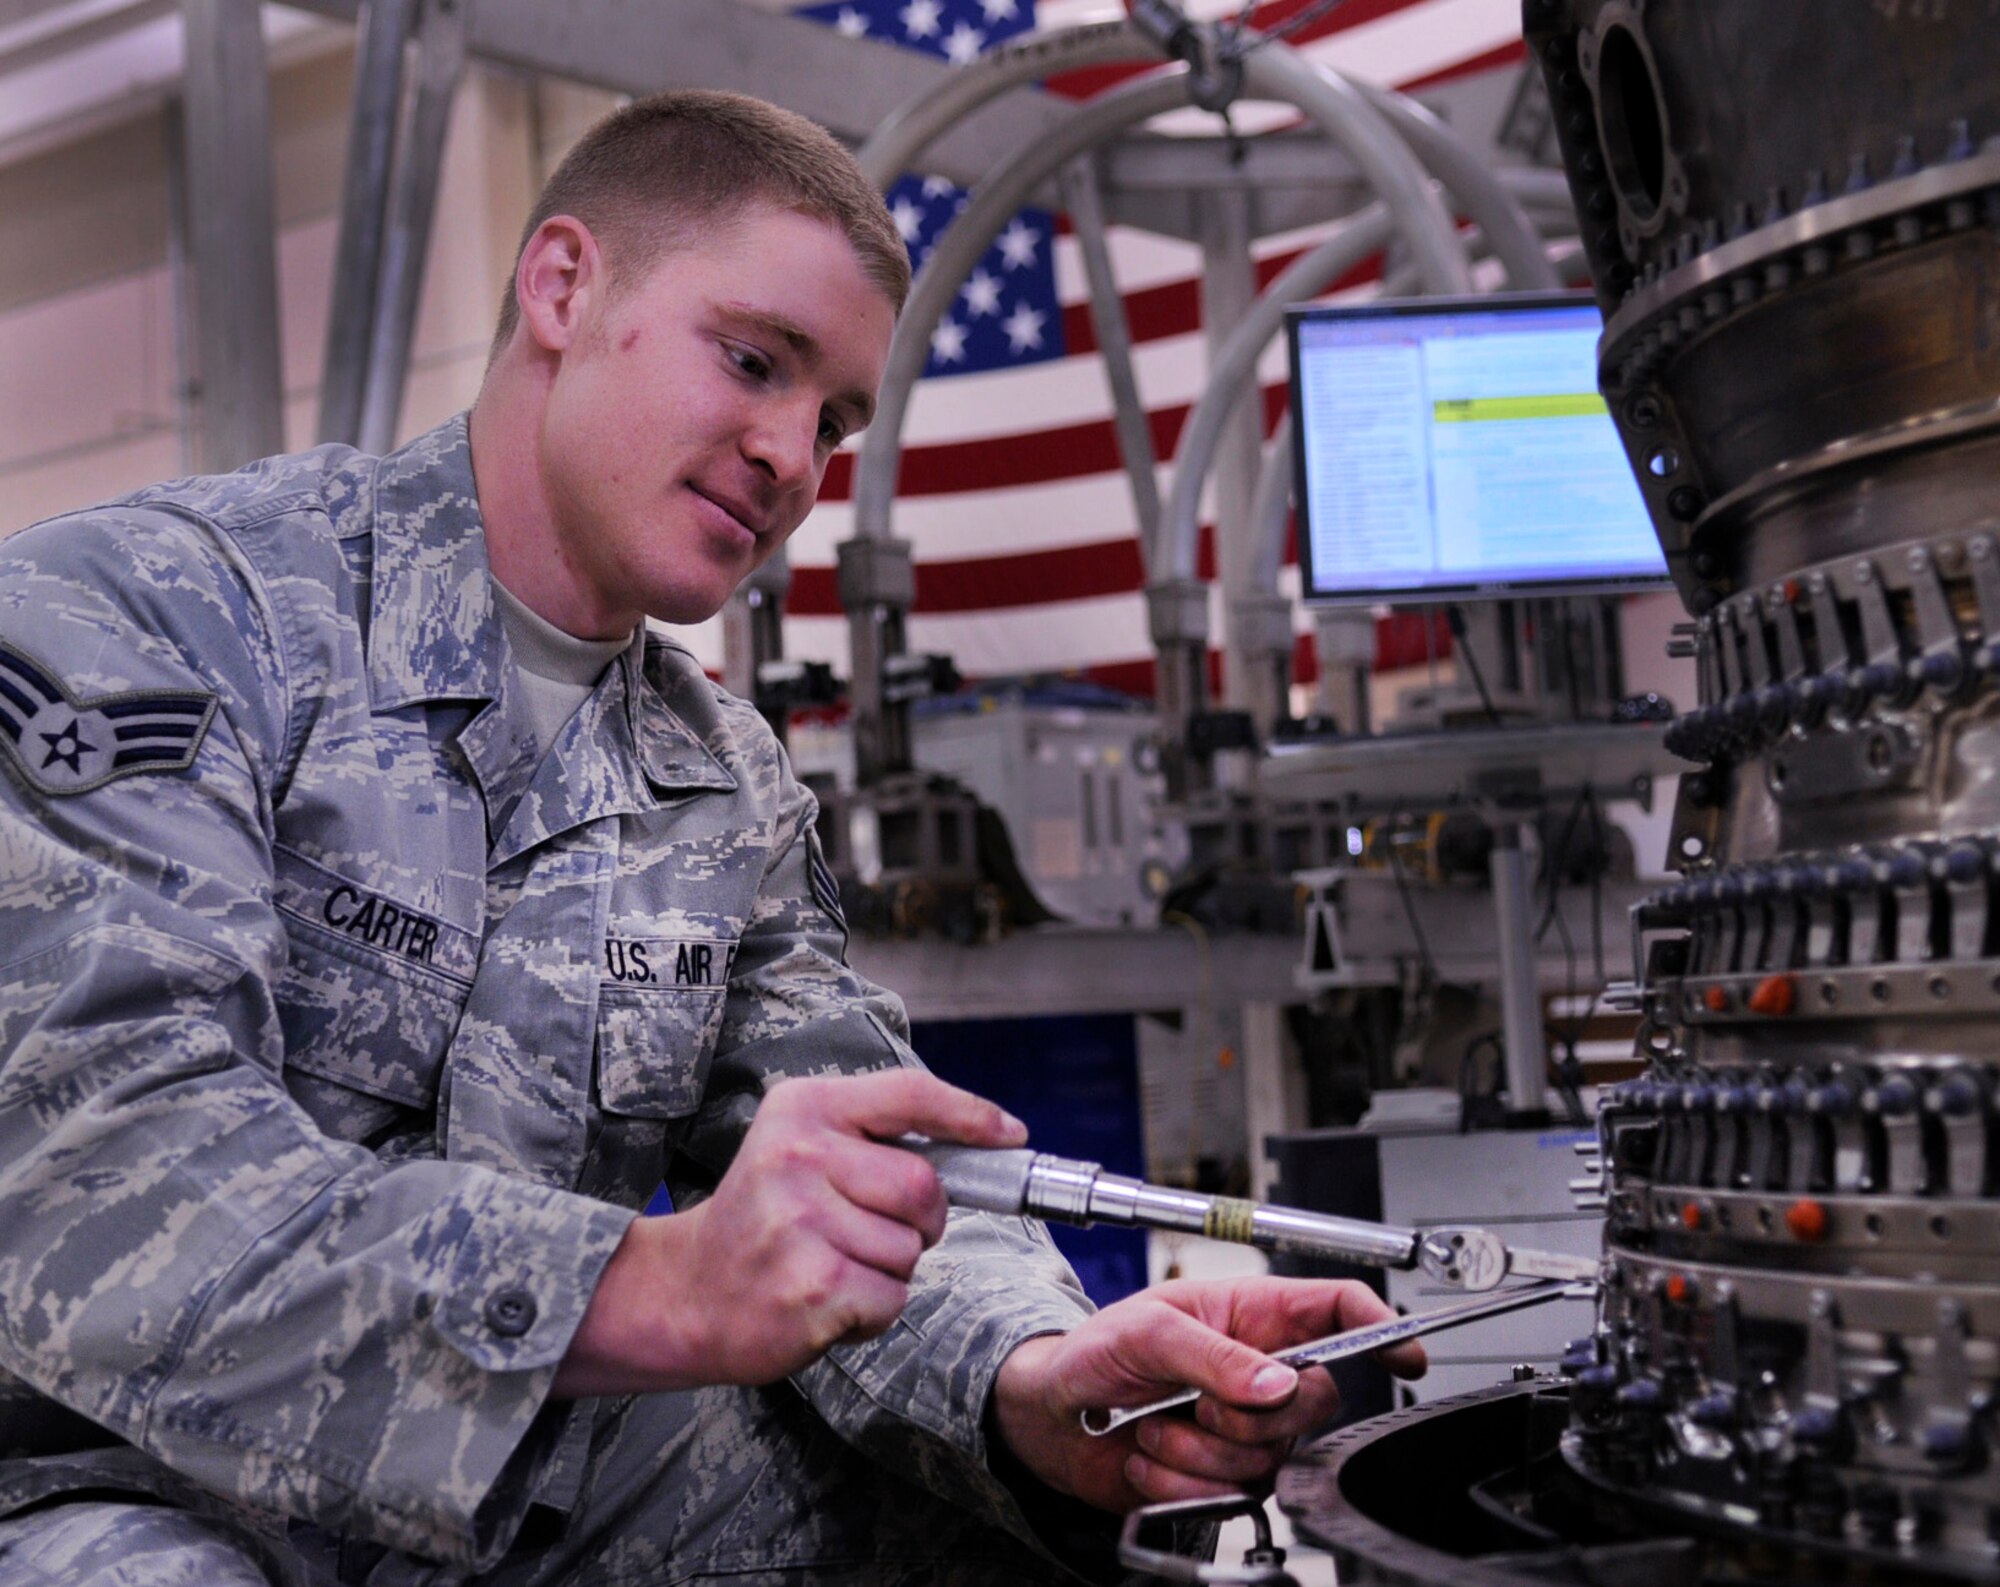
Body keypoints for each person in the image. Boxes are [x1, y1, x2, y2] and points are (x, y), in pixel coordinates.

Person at [0, 90, 1418, 1585]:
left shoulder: (720, 778)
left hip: (508, 1499)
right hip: (111, 1480)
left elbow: (872, 1147)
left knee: (975, 1504)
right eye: (752, 361)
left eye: (835, 421)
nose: (791, 458)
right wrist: (650, 1286)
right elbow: (114, 1188)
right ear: (563, 286)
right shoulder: (153, 616)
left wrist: (1036, 1378)